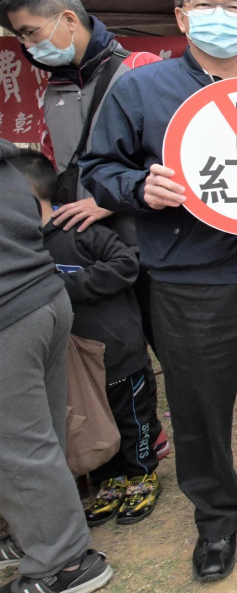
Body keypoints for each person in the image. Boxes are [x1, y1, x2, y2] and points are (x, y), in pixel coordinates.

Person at [81, 0, 237, 582]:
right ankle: (216, 522)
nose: (222, 16)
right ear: (183, 16)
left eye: (236, 7)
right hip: (187, 280)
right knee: (200, 409)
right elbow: (97, 169)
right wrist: (141, 185)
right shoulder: (144, 90)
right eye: (206, 4)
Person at [0, 0, 168, 456]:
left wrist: (112, 197)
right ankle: (133, 432)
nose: (29, 45)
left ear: (67, 20)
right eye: (22, 38)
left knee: (158, 338)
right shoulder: (52, 87)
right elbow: (54, 161)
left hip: (143, 233)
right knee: (111, 342)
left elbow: (167, 155)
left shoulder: (139, 70)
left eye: (32, 32)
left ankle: (152, 436)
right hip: (84, 236)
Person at [10, 150, 162, 527]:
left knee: (132, 418)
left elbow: (126, 263)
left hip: (119, 351)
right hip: (74, 362)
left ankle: (142, 473)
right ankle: (109, 480)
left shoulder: (79, 229)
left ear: (25, 194)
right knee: (94, 421)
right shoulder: (23, 247)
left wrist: (65, 286)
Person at [1, 139, 114, 593]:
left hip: (10, 309)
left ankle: (65, 563)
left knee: (19, 446)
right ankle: (39, 535)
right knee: (37, 437)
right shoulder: (9, 160)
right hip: (39, 295)